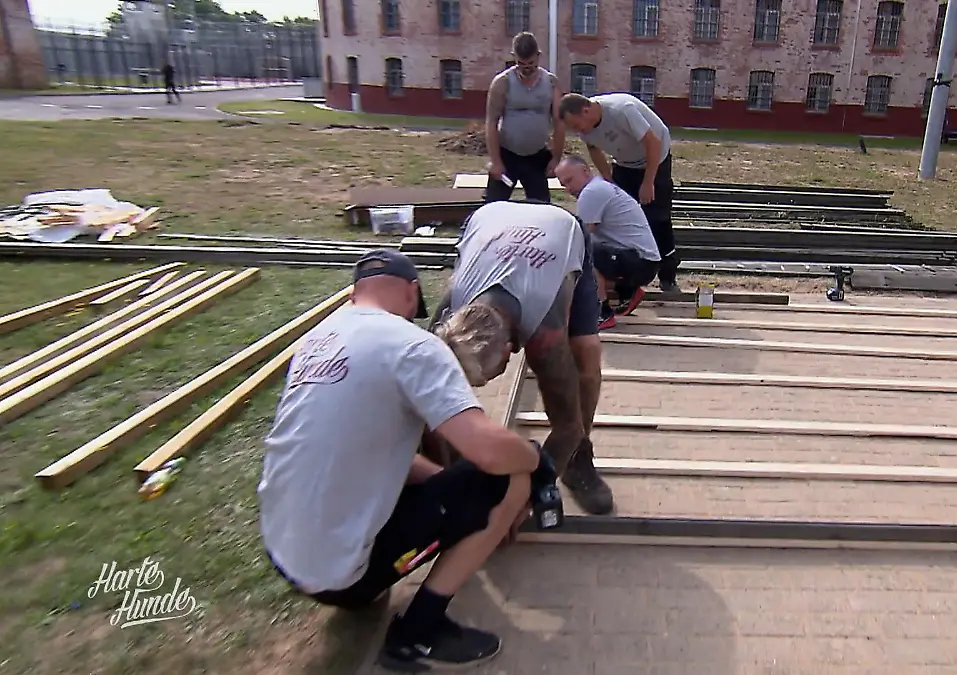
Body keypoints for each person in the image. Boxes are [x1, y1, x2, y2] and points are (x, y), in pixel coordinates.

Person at [257, 249, 543, 671]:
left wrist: (450, 494)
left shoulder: (319, 338)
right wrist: (535, 461)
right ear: (412, 293)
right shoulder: (411, 345)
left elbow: (376, 452)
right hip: (341, 578)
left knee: (465, 489)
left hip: (285, 554)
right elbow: (490, 451)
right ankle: (418, 632)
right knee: (511, 477)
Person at [429, 199, 614, 516]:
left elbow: (567, 426)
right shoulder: (447, 319)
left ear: (508, 350)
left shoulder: (546, 334)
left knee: (585, 359)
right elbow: (427, 406)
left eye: (488, 377)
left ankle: (578, 460)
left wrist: (520, 503)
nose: (487, 383)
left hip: (560, 228)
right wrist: (452, 483)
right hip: (490, 219)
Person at [558, 92, 680, 293]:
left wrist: (648, 182)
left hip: (655, 159)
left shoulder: (622, 110)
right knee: (622, 212)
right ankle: (625, 282)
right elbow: (594, 149)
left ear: (586, 111)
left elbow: (653, 142)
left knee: (658, 218)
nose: (576, 131)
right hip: (624, 163)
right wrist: (608, 178)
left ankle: (668, 276)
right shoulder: (585, 126)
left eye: (576, 125)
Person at [555, 154, 661, 329]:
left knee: (584, 251)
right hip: (644, 260)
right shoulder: (600, 187)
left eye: (570, 180)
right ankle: (626, 291)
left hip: (640, 262)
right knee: (587, 251)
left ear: (585, 171)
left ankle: (601, 312)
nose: (567, 188)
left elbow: (580, 237)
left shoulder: (592, 192)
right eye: (563, 184)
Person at [483, 32, 566, 204]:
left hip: (536, 156)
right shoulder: (502, 82)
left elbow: (559, 123)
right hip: (508, 154)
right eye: (521, 64)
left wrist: (556, 158)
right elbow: (491, 122)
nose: (526, 68)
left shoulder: (551, 83)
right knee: (493, 206)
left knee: (541, 207)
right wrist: (496, 161)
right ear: (514, 57)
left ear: (538, 56)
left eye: (531, 64)